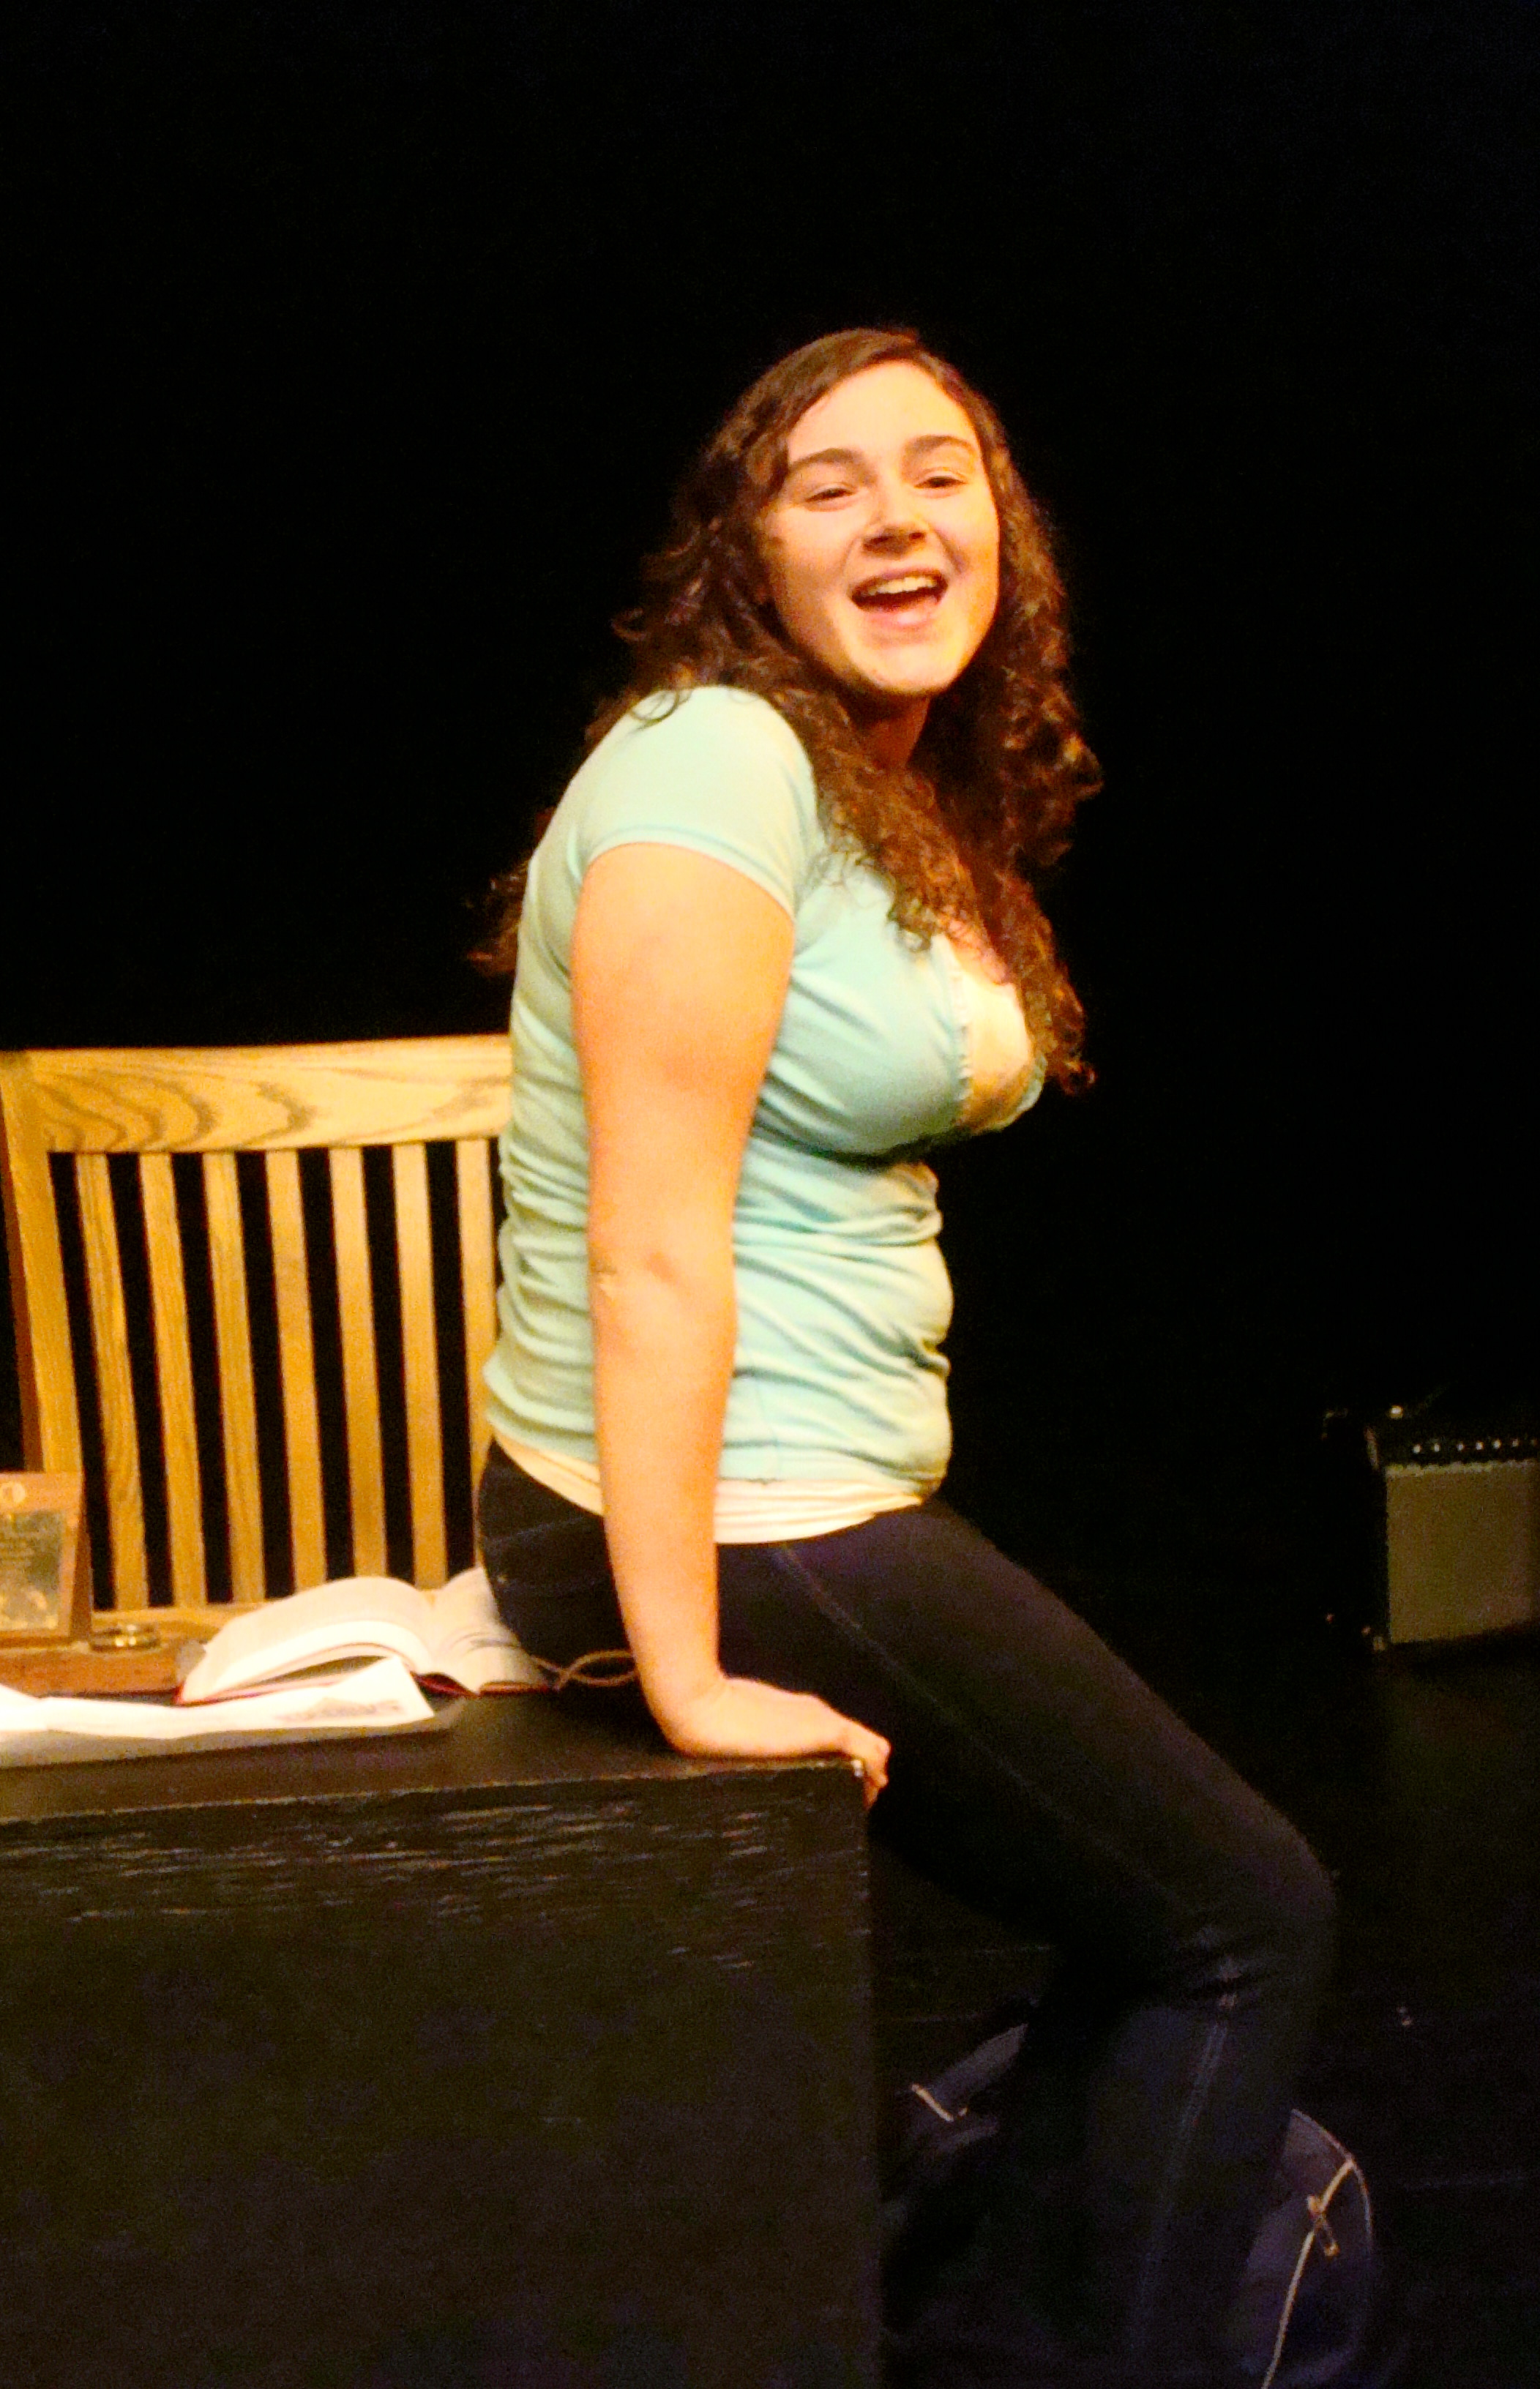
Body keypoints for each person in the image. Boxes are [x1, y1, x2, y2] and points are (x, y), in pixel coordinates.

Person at [474, 326, 1334, 2389]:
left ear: (1002, 528)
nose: (896, 517)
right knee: (1245, 1920)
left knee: (1177, 1924)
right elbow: (652, 1250)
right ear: (747, 550)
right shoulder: (713, 763)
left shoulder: (880, 789)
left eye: (941, 473)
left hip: (805, 1490)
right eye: (828, 482)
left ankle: (984, 2321)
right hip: (719, 1515)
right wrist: (687, 1675)